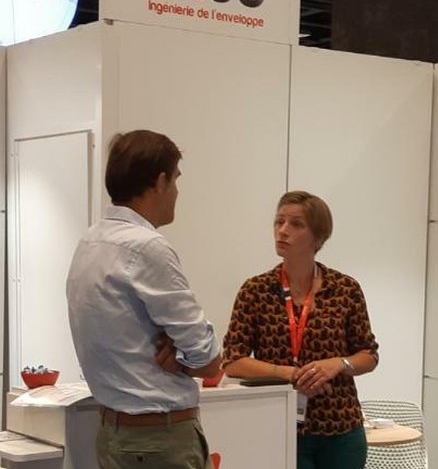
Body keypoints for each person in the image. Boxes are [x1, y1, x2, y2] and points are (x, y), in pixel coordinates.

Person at [66, 130, 222, 469]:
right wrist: (184, 358)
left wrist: (178, 351)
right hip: (158, 441)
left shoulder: (90, 242)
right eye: (176, 180)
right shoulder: (148, 248)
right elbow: (209, 360)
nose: (177, 192)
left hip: (114, 434)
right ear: (160, 182)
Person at [222, 191, 380, 469]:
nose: (283, 230)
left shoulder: (345, 289)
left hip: (341, 428)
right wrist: (290, 374)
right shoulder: (255, 290)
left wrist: (338, 364)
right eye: (279, 221)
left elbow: (369, 355)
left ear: (318, 238)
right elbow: (233, 361)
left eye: (296, 224)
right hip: (279, 426)